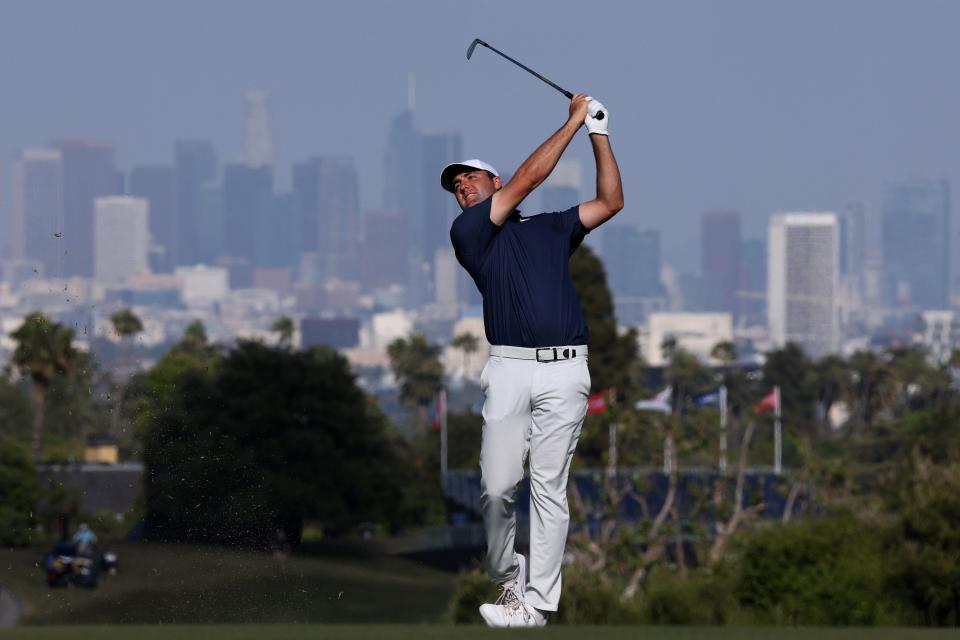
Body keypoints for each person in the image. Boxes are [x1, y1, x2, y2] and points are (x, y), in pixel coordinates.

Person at [442, 94, 623, 627]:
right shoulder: (470, 233)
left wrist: (599, 132)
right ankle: (507, 578)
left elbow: (610, 202)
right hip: (509, 367)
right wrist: (571, 120)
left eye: (471, 178)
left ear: (491, 183)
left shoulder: (550, 229)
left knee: (549, 488)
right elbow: (529, 177)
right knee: (496, 486)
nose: (463, 188)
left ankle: (538, 604)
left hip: (567, 368)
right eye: (457, 186)